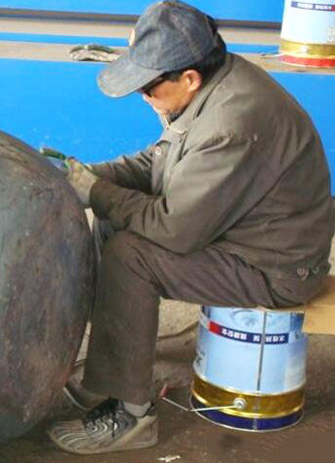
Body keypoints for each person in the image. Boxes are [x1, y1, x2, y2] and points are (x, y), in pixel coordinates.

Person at [47, 0, 335, 455]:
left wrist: (96, 191)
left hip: (275, 267)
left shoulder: (231, 122)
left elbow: (173, 228)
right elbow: (160, 162)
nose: (143, 96)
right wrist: (92, 176)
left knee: (130, 256)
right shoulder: (213, 82)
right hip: (241, 232)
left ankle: (133, 415)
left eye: (148, 86)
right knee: (111, 220)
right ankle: (111, 373)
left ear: (189, 78)